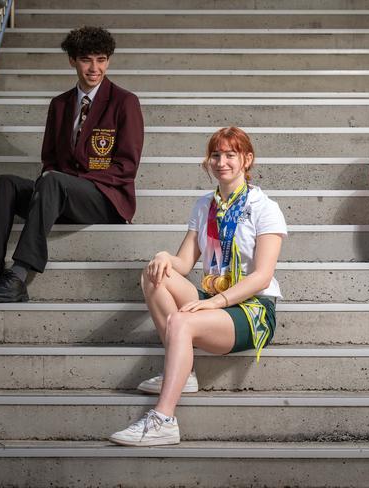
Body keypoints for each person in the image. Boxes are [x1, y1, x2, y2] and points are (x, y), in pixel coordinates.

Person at [109, 127, 287, 446]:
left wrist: (214, 303)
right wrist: (164, 257)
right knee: (155, 274)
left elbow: (262, 276)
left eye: (231, 154)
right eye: (216, 155)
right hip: (215, 294)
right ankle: (184, 372)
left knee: (181, 320)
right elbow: (184, 262)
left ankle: (163, 420)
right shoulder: (205, 205)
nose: (222, 162)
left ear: (247, 159)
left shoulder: (264, 207)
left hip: (252, 309)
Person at [0, 26, 144, 302]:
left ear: (109, 60)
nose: (94, 68)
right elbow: (50, 159)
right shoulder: (60, 105)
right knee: (6, 183)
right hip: (60, 194)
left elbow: (127, 166)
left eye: (101, 59)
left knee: (54, 181)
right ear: (72, 60)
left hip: (106, 198)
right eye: (86, 59)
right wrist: (55, 182)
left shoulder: (124, 102)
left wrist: (71, 183)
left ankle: (19, 276)